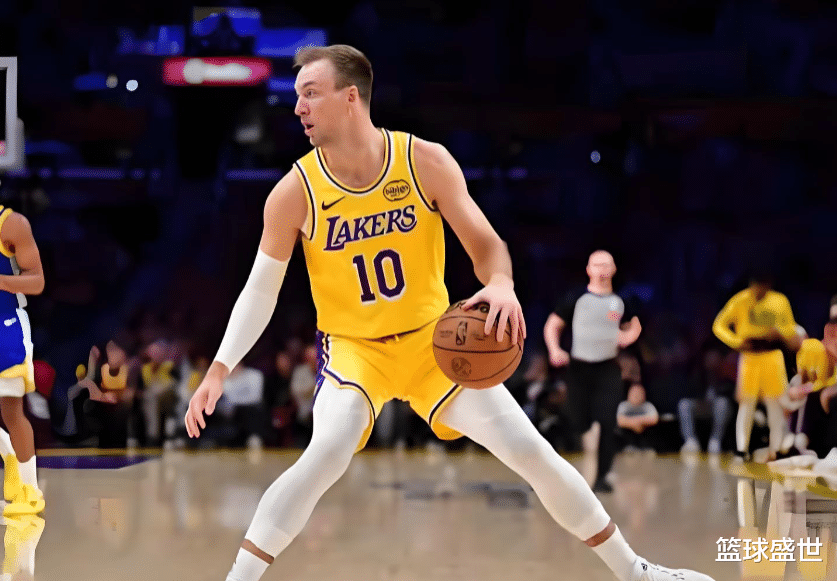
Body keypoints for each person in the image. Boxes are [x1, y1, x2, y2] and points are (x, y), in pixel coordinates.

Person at [185, 45, 715, 581]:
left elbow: (486, 245)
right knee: (325, 453)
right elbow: (260, 291)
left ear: (350, 98)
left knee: (531, 450)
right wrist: (220, 368)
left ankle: (635, 573)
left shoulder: (424, 162)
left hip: (433, 344)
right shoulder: (293, 193)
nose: (298, 107)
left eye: (310, 93)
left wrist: (501, 284)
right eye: (297, 96)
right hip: (354, 351)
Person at [544, 250, 642, 493]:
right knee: (575, 420)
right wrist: (555, 349)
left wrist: (627, 336)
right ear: (588, 269)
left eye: (606, 265)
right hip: (579, 367)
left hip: (608, 368)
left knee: (608, 422)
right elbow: (553, 324)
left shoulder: (619, 301)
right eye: (597, 265)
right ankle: (547, 471)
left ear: (613, 269)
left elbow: (633, 325)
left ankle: (602, 478)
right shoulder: (576, 298)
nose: (602, 270)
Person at [0, 168, 45, 516]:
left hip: (5, 327)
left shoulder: (11, 224)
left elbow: (37, 282)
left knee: (11, 410)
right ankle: (7, 452)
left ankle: (30, 491)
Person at [712, 269, 801, 462]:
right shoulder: (741, 300)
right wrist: (736, 342)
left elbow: (790, 327)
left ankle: (776, 448)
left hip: (772, 355)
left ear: (768, 284)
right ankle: (741, 448)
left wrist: (780, 333)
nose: (758, 289)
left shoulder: (779, 301)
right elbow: (718, 325)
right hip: (750, 356)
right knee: (747, 403)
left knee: (775, 404)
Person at [678, 343, 734, 455]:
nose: (712, 361)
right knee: (684, 404)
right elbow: (690, 391)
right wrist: (701, 398)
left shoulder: (725, 372)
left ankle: (715, 441)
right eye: (709, 358)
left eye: (714, 358)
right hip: (702, 405)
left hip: (721, 408)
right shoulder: (698, 373)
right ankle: (691, 441)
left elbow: (730, 392)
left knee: (722, 403)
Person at [617, 383, 659, 452]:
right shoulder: (623, 405)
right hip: (627, 436)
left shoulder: (648, 406)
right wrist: (634, 424)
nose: (637, 396)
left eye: (639, 393)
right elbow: (619, 421)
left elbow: (654, 419)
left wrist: (638, 423)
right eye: (634, 393)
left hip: (645, 436)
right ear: (628, 395)